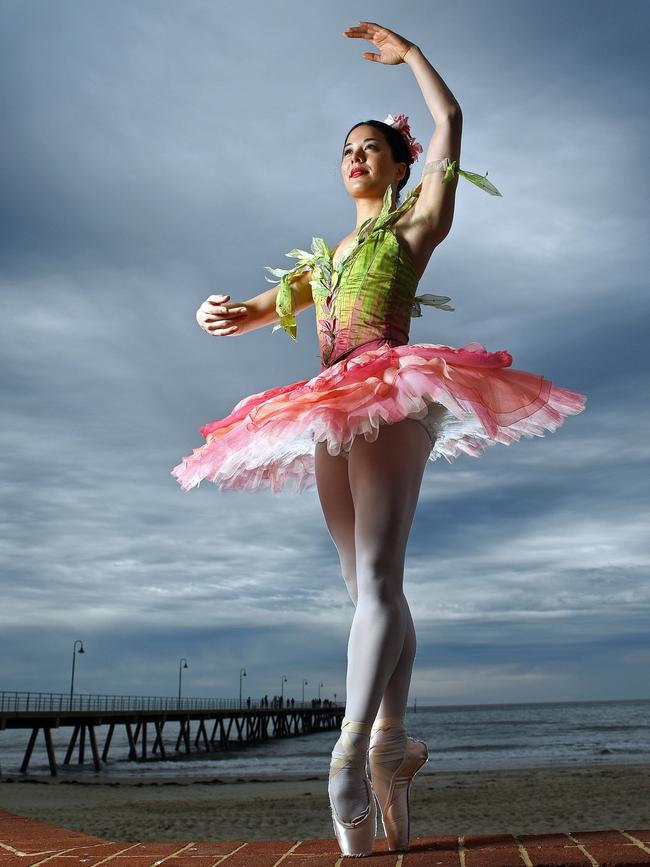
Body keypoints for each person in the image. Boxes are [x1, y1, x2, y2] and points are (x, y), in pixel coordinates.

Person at [171, 21, 587, 857]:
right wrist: (219, 311)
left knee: (378, 572)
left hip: (392, 389)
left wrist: (415, 59)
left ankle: (349, 756)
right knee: (362, 589)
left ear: (398, 167)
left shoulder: (412, 228)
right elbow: (255, 311)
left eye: (372, 147)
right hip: (326, 403)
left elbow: (452, 123)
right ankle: (395, 742)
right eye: (347, 149)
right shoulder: (323, 262)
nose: (356, 156)